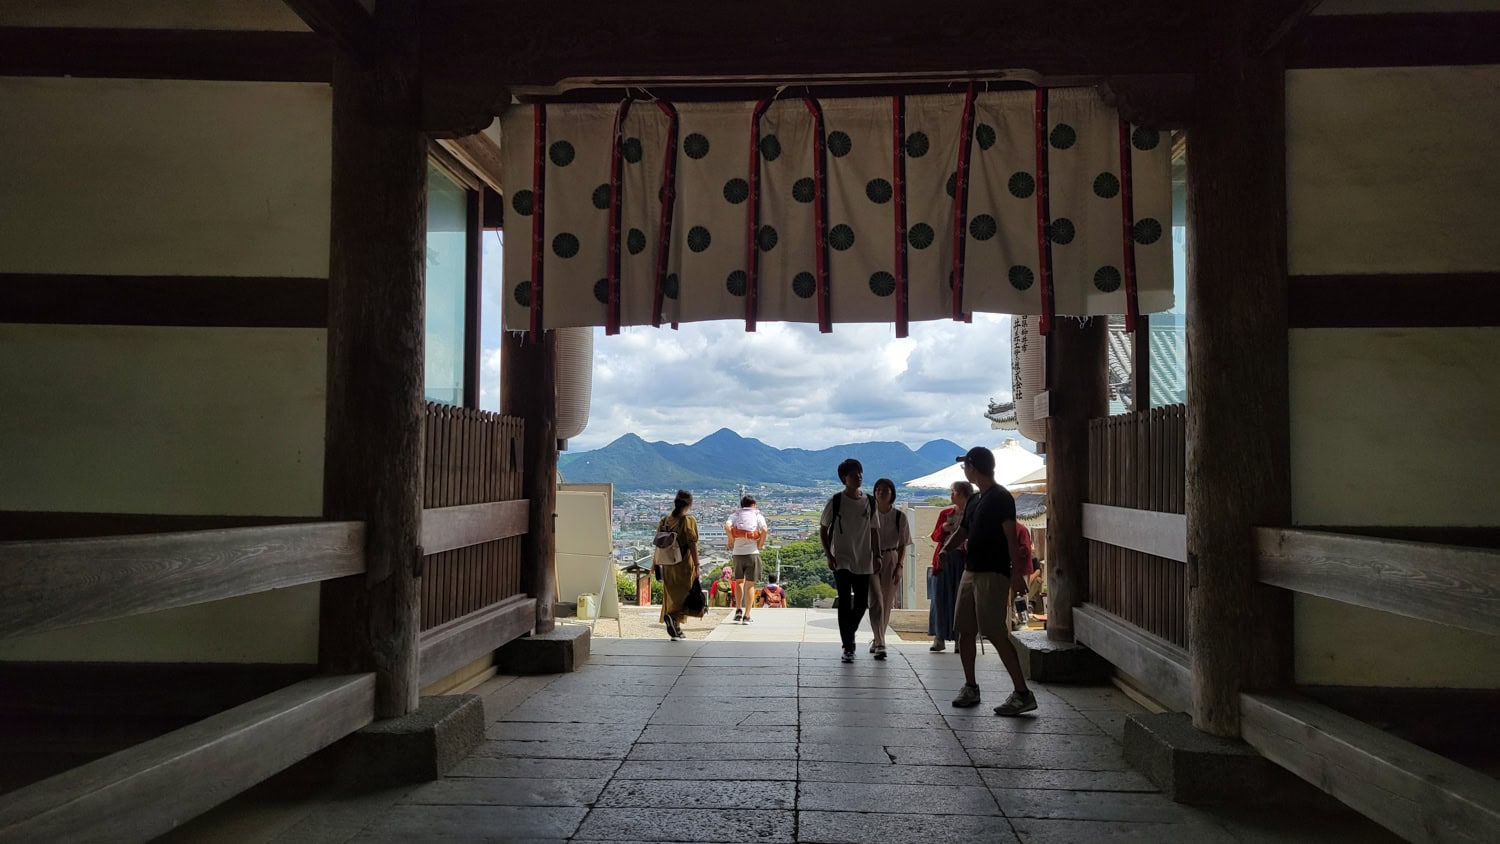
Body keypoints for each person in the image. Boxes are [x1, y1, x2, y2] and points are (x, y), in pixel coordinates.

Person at [941, 447, 1038, 716]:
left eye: (965, 466)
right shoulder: (975, 499)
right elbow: (963, 531)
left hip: (993, 573)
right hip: (971, 570)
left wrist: (1016, 574)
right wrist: (946, 549)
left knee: (995, 632)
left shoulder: (1000, 497)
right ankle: (970, 686)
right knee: (965, 629)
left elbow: (1011, 538)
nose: (964, 470)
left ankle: (1022, 693)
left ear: (973, 467)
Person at [819, 458, 877, 663]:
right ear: (844, 478)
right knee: (844, 601)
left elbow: (874, 530)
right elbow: (823, 529)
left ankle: (848, 633)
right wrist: (829, 554)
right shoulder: (836, 501)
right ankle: (848, 646)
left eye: (860, 473)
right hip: (841, 558)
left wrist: (877, 555)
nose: (858, 477)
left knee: (861, 603)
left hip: (864, 557)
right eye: (853, 474)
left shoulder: (870, 501)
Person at [867, 478, 911, 660]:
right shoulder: (869, 514)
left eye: (885, 489)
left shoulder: (900, 516)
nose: (881, 492)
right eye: (878, 489)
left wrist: (899, 566)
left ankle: (879, 639)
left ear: (892, 493)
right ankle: (880, 641)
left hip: (891, 557)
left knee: (886, 602)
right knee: (876, 600)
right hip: (871, 558)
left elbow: (903, 544)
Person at [928, 480, 974, 652]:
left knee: (960, 600)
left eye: (953, 492)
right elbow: (935, 536)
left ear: (962, 494)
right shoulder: (945, 513)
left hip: (964, 559)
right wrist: (943, 529)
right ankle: (939, 637)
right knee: (940, 598)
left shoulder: (972, 514)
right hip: (944, 559)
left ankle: (959, 639)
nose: (951, 495)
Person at [657, 489, 701, 640]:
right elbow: (692, 544)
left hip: (667, 564)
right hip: (684, 564)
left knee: (671, 595)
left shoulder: (664, 521)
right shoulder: (688, 521)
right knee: (685, 595)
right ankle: (672, 617)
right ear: (689, 504)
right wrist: (697, 564)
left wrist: (655, 563)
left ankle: (676, 628)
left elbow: (659, 545)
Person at [725, 496, 769, 623]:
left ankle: (738, 609)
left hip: (737, 554)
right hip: (752, 553)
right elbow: (764, 529)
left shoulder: (735, 515)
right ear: (753, 505)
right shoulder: (757, 515)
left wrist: (731, 540)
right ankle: (747, 615)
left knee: (739, 582)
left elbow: (727, 527)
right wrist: (760, 544)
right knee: (750, 585)